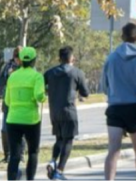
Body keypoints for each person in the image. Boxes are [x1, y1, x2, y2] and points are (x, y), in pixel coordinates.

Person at [102, 22, 136, 181]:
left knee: (113, 151)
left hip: (115, 108)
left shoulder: (111, 58)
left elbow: (104, 85)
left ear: (122, 37)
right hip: (135, 108)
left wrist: (113, 95)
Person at [44, 46, 90, 181]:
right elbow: (85, 93)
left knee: (59, 139)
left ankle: (52, 161)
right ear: (71, 58)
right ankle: (59, 171)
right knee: (68, 140)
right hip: (69, 111)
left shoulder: (49, 73)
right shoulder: (77, 72)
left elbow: (41, 85)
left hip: (54, 112)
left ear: (59, 58)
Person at [4, 46, 45, 181]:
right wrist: (44, 98)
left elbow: (7, 101)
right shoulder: (37, 76)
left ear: (20, 60)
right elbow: (39, 96)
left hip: (13, 120)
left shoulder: (12, 76)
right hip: (31, 120)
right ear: (34, 61)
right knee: (33, 152)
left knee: (14, 155)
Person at [0, 47, 22, 164]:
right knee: (4, 129)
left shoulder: (26, 67)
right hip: (8, 101)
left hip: (21, 102)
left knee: (20, 128)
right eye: (16, 57)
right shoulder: (7, 67)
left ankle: (20, 154)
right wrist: (8, 76)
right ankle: (7, 154)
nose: (18, 60)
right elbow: (1, 82)